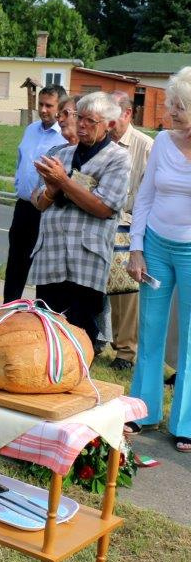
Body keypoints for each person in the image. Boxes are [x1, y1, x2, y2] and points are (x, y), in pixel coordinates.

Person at [28, 92, 131, 346]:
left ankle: (79, 377)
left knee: (80, 333)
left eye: (90, 121)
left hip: (86, 260)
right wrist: (52, 191)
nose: (82, 125)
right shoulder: (61, 154)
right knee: (48, 330)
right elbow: (39, 202)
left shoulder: (118, 158)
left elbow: (104, 207)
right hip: (51, 256)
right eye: (80, 118)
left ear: (109, 124)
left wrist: (64, 182)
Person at [125, 68, 191, 451]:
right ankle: (144, 410)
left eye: (182, 106)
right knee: (149, 330)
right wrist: (136, 249)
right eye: (172, 105)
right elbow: (145, 197)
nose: (173, 112)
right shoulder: (163, 142)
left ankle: (184, 423)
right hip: (155, 247)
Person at [3, 85, 66, 302]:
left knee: (45, 268)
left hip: (48, 209)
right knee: (15, 263)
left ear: (60, 108)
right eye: (41, 104)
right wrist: (19, 183)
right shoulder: (30, 129)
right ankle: (8, 310)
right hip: (23, 208)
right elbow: (21, 160)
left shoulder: (64, 137)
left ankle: (42, 318)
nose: (44, 109)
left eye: (49, 105)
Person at [106, 91, 155, 371]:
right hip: (103, 220)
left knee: (125, 290)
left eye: (112, 116)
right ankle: (95, 338)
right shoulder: (105, 143)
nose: (108, 123)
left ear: (127, 114)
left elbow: (150, 197)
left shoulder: (144, 146)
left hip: (131, 225)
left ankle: (126, 352)